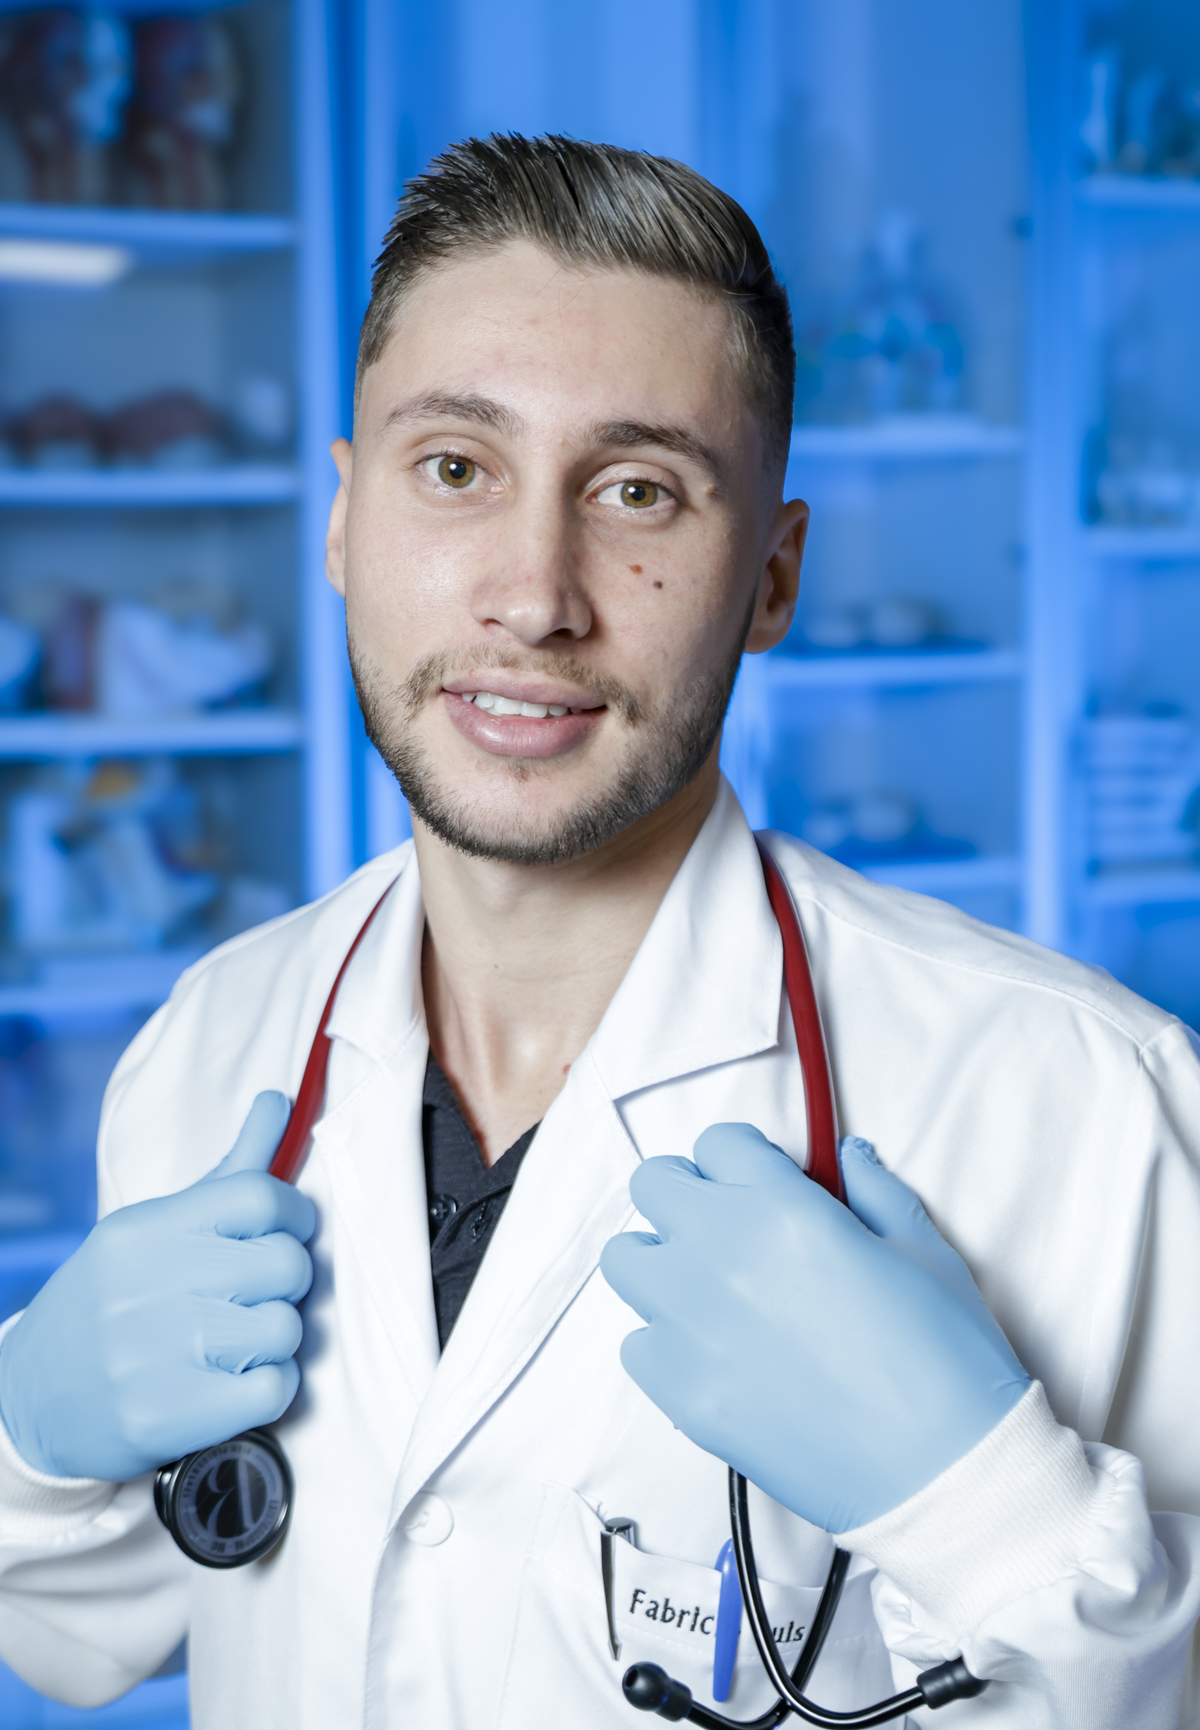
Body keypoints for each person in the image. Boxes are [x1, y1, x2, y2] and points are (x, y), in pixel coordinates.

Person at [0, 134, 1198, 1730]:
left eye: (639, 492)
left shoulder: (1076, 1103)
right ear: (345, 522)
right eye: (455, 469)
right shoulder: (216, 1043)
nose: (534, 595)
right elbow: (86, 1630)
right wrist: (29, 1445)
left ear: (771, 578)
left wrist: (987, 1509)